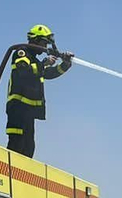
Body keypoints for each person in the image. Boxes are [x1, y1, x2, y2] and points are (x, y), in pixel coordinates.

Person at [5, 24, 72, 159]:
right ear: (35, 40)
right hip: (18, 108)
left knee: (29, 147)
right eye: (44, 43)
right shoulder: (21, 51)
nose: (45, 47)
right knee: (17, 144)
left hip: (28, 112)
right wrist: (44, 63)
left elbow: (47, 74)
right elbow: (23, 70)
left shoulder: (35, 60)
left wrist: (65, 64)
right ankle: (8, 174)